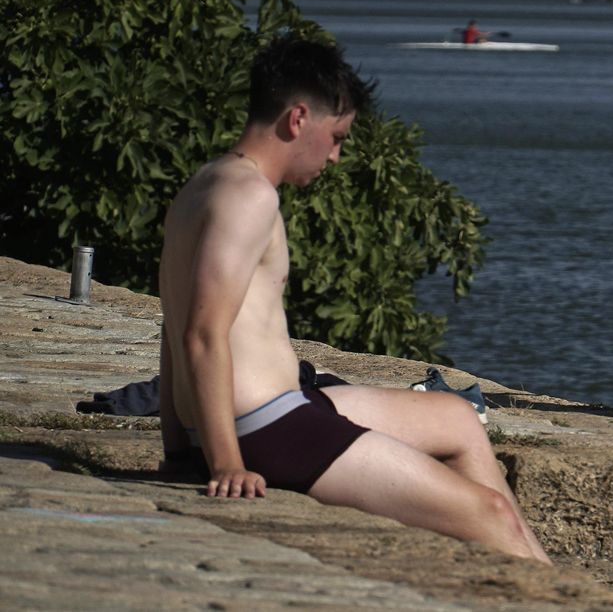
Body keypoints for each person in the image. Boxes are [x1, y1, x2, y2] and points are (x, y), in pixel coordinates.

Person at [158, 36, 551, 562]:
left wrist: (179, 447)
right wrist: (225, 460)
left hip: (265, 415)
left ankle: (541, 570)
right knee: (491, 514)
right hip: (264, 431)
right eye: (336, 136)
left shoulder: (204, 183)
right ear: (298, 119)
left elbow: (171, 324)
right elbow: (201, 333)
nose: (337, 156)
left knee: (456, 418)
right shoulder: (250, 196)